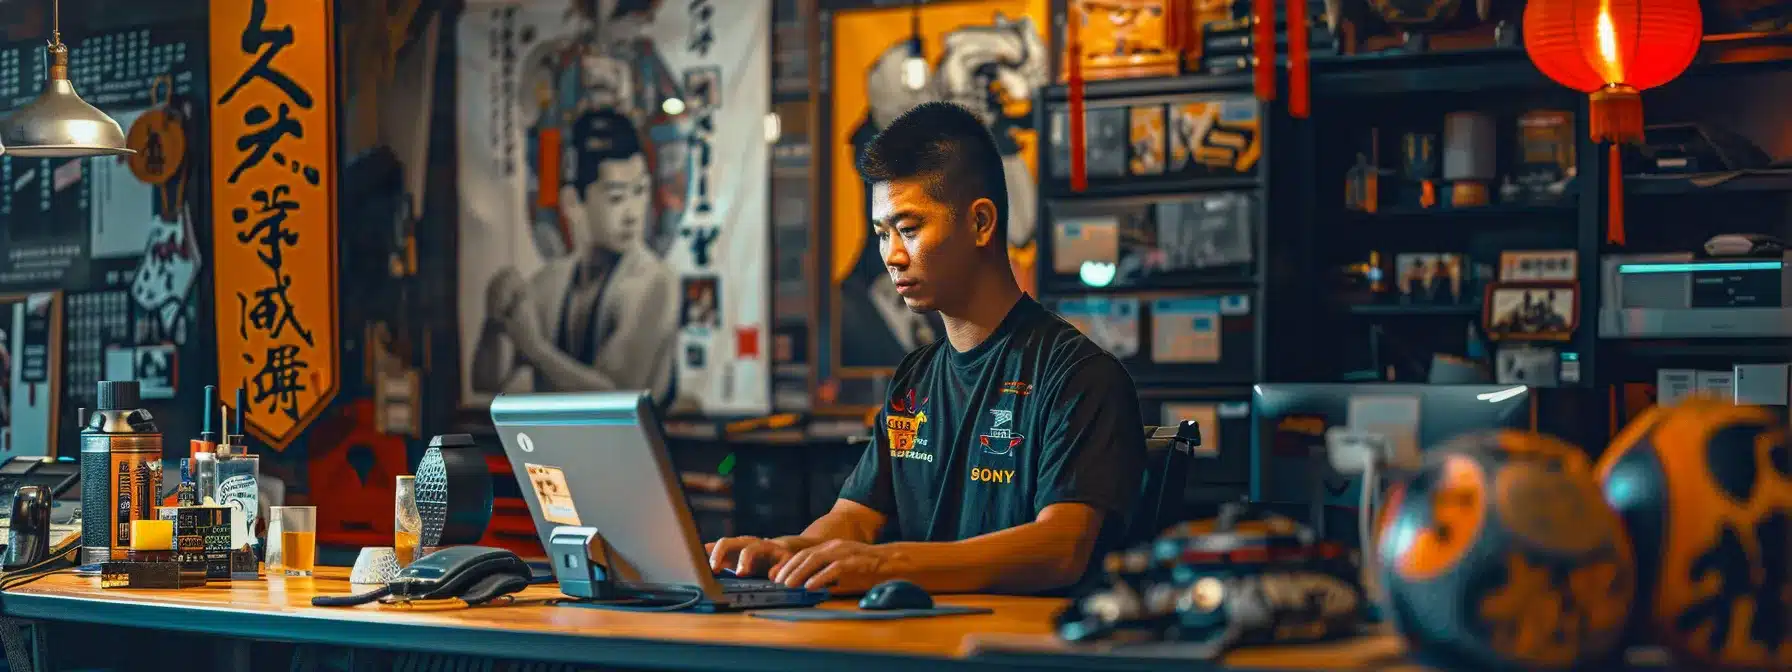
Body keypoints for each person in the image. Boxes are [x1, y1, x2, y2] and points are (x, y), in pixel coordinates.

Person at [706, 102, 1146, 596]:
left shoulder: (1078, 376)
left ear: (981, 223)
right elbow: (853, 519)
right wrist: (785, 552)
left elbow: (1060, 547)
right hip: (920, 641)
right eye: (881, 234)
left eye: (909, 230)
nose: (892, 256)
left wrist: (885, 565)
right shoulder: (915, 379)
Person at [471, 108, 679, 407]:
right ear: (573, 202)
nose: (633, 213)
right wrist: (494, 323)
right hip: (553, 451)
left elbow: (618, 399)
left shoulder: (654, 282)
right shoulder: (549, 283)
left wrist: (536, 350)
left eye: (641, 192)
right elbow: (486, 382)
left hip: (638, 451)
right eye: (616, 197)